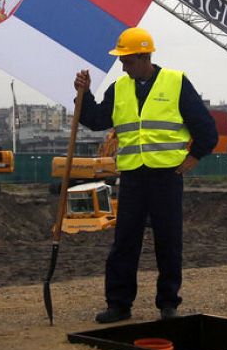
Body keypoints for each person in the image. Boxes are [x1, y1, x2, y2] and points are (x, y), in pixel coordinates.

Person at [74, 27, 219, 324]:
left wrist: (194, 157)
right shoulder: (119, 89)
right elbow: (95, 120)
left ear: (143, 57)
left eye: (127, 61)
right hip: (133, 178)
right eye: (122, 61)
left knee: (168, 241)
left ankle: (168, 303)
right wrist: (84, 94)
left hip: (166, 176)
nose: (123, 66)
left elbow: (206, 128)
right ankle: (119, 304)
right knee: (125, 241)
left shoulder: (175, 83)